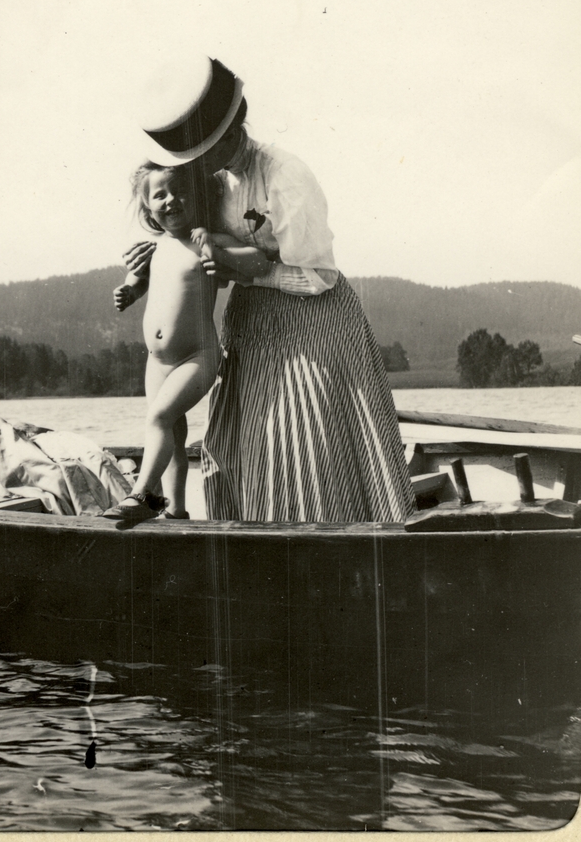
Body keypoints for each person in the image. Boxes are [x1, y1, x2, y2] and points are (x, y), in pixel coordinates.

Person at [125, 56, 414, 524]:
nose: (192, 167)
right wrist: (154, 254)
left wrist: (252, 270)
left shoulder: (285, 175)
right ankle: (254, 546)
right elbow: (188, 232)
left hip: (314, 325)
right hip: (253, 326)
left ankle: (334, 545)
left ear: (230, 135)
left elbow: (319, 277)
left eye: (198, 154)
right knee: (249, 445)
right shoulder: (216, 182)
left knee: (309, 445)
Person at [101, 163, 221, 528]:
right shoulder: (153, 249)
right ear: (147, 208)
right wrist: (126, 292)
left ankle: (143, 495)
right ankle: (177, 512)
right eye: (159, 195)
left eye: (178, 191)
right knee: (172, 434)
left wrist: (216, 249)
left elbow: (229, 264)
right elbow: (135, 283)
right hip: (158, 362)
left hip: (197, 356)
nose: (170, 201)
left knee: (159, 418)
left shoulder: (203, 240)